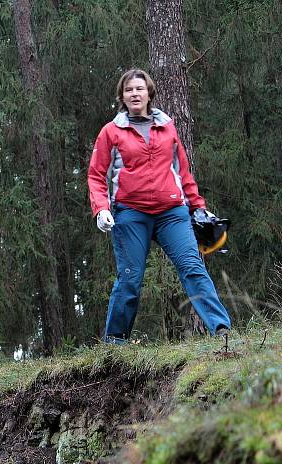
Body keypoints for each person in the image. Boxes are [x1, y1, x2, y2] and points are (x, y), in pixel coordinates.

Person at [87, 68, 231, 344]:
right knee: (130, 279)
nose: (135, 94)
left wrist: (198, 207)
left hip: (172, 213)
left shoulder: (167, 127)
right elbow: (96, 175)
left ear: (149, 92)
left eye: (139, 89)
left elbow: (182, 172)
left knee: (193, 267)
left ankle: (221, 330)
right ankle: (115, 343)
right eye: (129, 90)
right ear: (122, 96)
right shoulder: (111, 132)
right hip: (130, 214)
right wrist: (101, 208)